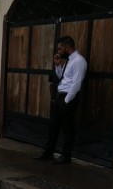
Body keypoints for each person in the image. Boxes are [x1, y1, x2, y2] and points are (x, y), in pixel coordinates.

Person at [34, 35, 88, 164]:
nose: (58, 51)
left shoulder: (79, 61)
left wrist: (66, 101)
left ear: (67, 47)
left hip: (69, 97)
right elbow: (61, 78)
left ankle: (66, 156)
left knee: (67, 128)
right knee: (53, 126)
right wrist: (57, 66)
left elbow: (76, 84)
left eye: (60, 48)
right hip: (60, 96)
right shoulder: (68, 61)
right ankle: (48, 153)